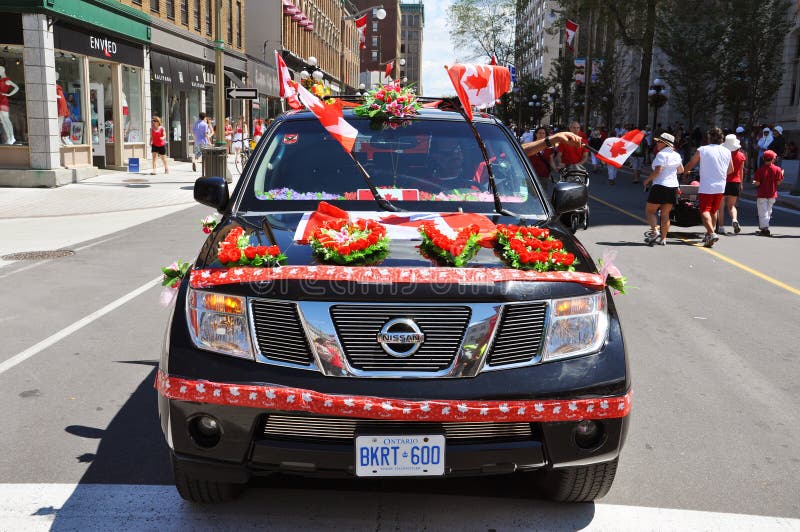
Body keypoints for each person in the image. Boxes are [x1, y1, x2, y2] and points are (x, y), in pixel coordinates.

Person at [683, 127, 733, 247]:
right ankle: (710, 233)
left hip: (707, 186)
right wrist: (719, 174)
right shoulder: (727, 151)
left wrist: (684, 171)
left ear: (709, 137)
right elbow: (731, 169)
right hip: (720, 185)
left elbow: (691, 163)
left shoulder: (703, 149)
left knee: (704, 210)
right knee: (713, 210)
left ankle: (711, 233)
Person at [642, 133, 683, 246]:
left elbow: (658, 171)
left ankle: (655, 231)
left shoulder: (661, 155)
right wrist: (671, 171)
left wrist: (647, 180)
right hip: (673, 186)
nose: (657, 143)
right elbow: (680, 170)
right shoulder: (676, 155)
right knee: (665, 214)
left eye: (659, 142)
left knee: (650, 211)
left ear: (664, 144)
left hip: (660, 185)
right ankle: (663, 238)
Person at [717, 134, 746, 235]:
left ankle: (721, 227)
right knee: (731, 206)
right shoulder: (741, 155)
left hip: (723, 181)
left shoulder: (723, 154)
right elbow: (741, 171)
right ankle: (734, 220)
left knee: (721, 206)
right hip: (736, 182)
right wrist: (741, 183)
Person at [752, 149, 784, 236]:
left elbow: (757, 183)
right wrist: (782, 174)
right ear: (773, 159)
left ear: (763, 159)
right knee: (768, 211)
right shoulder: (778, 169)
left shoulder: (760, 170)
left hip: (762, 194)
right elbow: (778, 183)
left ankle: (765, 229)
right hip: (772, 194)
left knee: (763, 212)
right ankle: (764, 227)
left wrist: (754, 182)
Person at [0, 66, 20, 145]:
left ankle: (12, 137)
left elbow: (16, 87)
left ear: (3, 70)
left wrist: (8, 94)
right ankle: (9, 138)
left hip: (3, 101)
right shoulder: (1, 80)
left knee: (6, 120)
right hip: (0, 101)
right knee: (3, 121)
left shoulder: (6, 80)